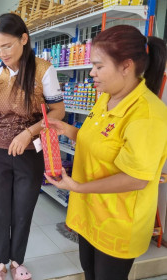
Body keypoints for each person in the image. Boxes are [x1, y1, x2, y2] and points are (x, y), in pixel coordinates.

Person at [44, 25, 167, 280]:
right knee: (89, 273)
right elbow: (99, 141)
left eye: (99, 66)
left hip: (117, 223)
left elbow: (136, 178)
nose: (92, 73)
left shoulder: (147, 114)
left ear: (126, 66)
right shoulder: (105, 97)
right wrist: (68, 130)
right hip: (90, 213)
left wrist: (77, 187)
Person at [0, 13, 65, 279]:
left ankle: (17, 261)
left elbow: (57, 111)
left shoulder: (43, 69)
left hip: (30, 151)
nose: (2, 52)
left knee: (23, 208)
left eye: (8, 45)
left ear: (24, 39)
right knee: (0, 209)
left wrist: (29, 133)